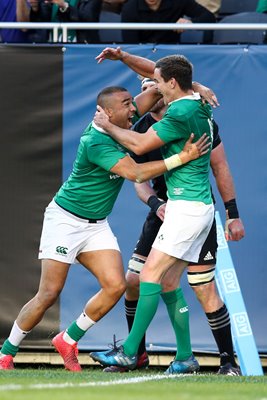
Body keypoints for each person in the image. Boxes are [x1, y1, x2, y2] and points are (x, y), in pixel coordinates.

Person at [0, 83, 209, 372]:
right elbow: (135, 173)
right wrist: (181, 158)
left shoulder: (120, 120)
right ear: (107, 113)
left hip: (96, 225)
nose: (134, 108)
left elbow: (165, 86)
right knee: (49, 293)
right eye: (127, 104)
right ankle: (6, 352)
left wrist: (197, 88)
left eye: (131, 103)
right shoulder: (95, 141)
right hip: (66, 220)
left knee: (116, 286)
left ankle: (68, 338)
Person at [103, 76, 244, 376]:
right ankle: (162, 355)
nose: (147, 93)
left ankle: (227, 361)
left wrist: (232, 212)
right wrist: (156, 204)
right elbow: (136, 177)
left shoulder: (184, 117)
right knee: (144, 280)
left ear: (165, 88)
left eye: (153, 87)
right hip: (166, 210)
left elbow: (220, 167)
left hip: (189, 210)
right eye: (141, 91)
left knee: (199, 286)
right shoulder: (154, 122)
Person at [90, 52, 218, 374]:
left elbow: (139, 146)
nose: (154, 88)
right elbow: (168, 73)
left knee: (148, 276)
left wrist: (107, 126)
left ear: (172, 84)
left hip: (187, 208)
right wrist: (197, 83)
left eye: (159, 84)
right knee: (169, 284)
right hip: (194, 206)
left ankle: (130, 352)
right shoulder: (198, 102)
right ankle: (186, 358)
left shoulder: (180, 111)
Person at [120, 0, 216, 44]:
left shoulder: (179, 2)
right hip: (142, 56)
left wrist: (190, 22)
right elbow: (130, 44)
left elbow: (209, 18)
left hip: (173, 55)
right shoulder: (129, 7)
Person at [29, 0, 102, 43]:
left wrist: (65, 6)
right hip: (51, 49)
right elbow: (41, 22)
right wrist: (35, 8)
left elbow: (89, 18)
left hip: (81, 49)